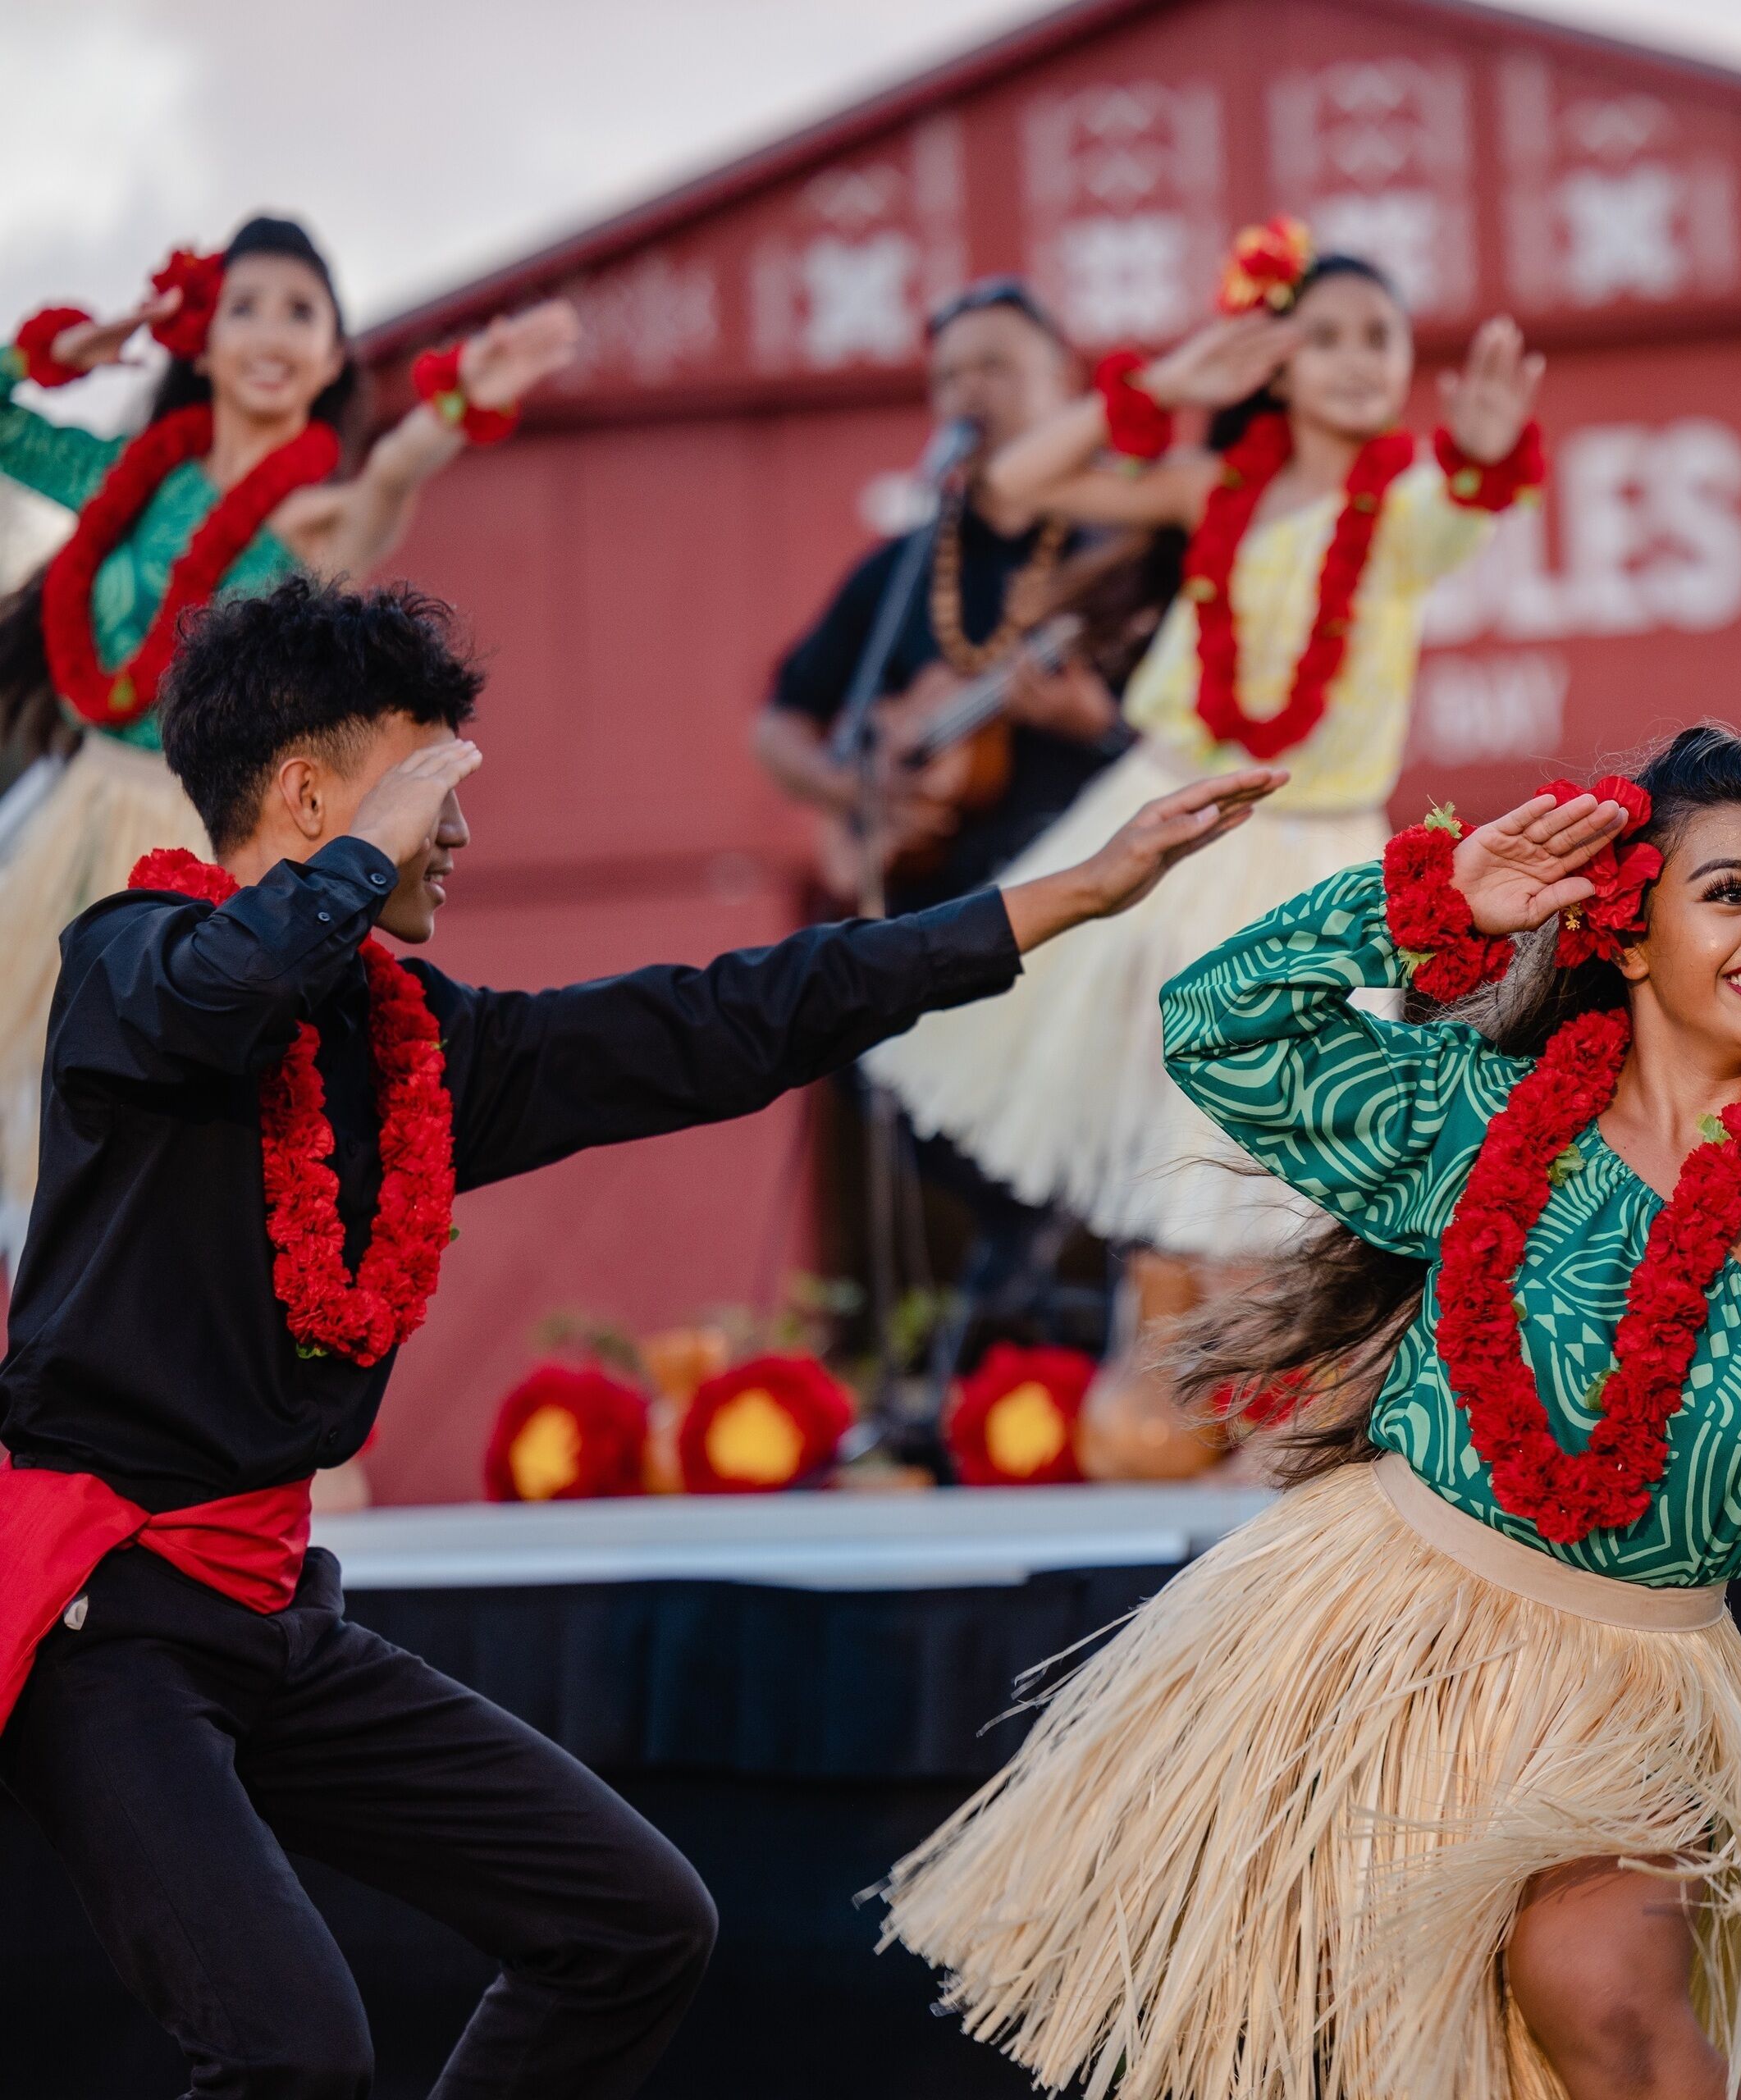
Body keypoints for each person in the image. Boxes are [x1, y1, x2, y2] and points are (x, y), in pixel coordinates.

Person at [883, 727, 1741, 2100]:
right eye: (1731, 892)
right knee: (1344, 2038)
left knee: (1601, 1990)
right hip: (1368, 1647)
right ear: (1626, 936)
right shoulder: (1476, 1123)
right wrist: (1436, 907)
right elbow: (1220, 1026)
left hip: (1626, 1700)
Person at [0, 576, 1279, 2098]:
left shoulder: (417, 1048)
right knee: (294, 2055)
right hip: (100, 1622)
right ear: (309, 798)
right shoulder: (132, 965)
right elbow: (217, 1001)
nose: (458, 832)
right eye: (433, 787)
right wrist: (359, 857)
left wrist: (1058, 899)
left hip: (269, 1611)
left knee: (633, 1924)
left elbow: (722, 1019)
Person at [861, 218, 1546, 1466]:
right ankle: (1171, 1386)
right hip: (1173, 819)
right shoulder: (1212, 488)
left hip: (1312, 853)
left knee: (1281, 1144)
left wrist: (1485, 458)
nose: (1355, 358)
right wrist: (1170, 382)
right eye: (1324, 336)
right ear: (1275, 362)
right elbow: (1014, 488)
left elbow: (1459, 516)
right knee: (1167, 1108)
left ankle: (1269, 1411)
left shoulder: (1400, 507)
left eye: (1379, 336)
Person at [0, 215, 577, 1275]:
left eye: (300, 312)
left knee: (180, 1141)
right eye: (246, 308)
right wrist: (58, 354)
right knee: (32, 1132)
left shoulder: (311, 522)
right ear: (203, 339)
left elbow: (388, 479)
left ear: (331, 356)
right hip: (71, 819)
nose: (270, 332)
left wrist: (455, 407)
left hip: (208, 844)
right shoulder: (124, 483)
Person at [754, 276, 1175, 1370]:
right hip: (941, 901)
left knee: (1109, 1124)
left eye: (996, 366)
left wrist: (1096, 723)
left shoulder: (1123, 552)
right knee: (876, 1069)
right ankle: (1022, 1287)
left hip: (1091, 907)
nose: (969, 391)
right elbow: (781, 721)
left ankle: (1061, 1319)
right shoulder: (902, 572)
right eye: (950, 375)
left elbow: (1196, 738)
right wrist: (857, 791)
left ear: (1065, 387)